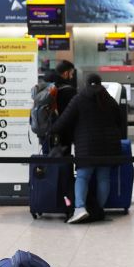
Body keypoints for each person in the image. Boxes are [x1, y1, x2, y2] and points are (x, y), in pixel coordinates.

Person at [49, 73, 126, 224]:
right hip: (109, 146)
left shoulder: (79, 98)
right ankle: (98, 209)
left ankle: (80, 208)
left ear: (86, 83)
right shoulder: (109, 99)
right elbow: (120, 121)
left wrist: (51, 130)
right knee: (103, 178)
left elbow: (64, 119)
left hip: (87, 146)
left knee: (83, 177)